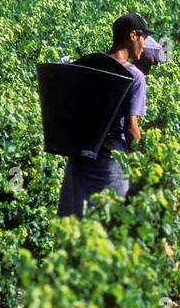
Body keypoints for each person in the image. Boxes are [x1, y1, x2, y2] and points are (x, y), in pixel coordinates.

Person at [56, 13, 152, 216]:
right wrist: (142, 163)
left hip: (80, 155)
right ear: (133, 35)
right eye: (143, 38)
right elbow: (130, 127)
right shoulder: (134, 76)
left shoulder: (90, 65)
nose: (144, 46)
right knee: (110, 225)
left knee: (73, 225)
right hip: (110, 159)